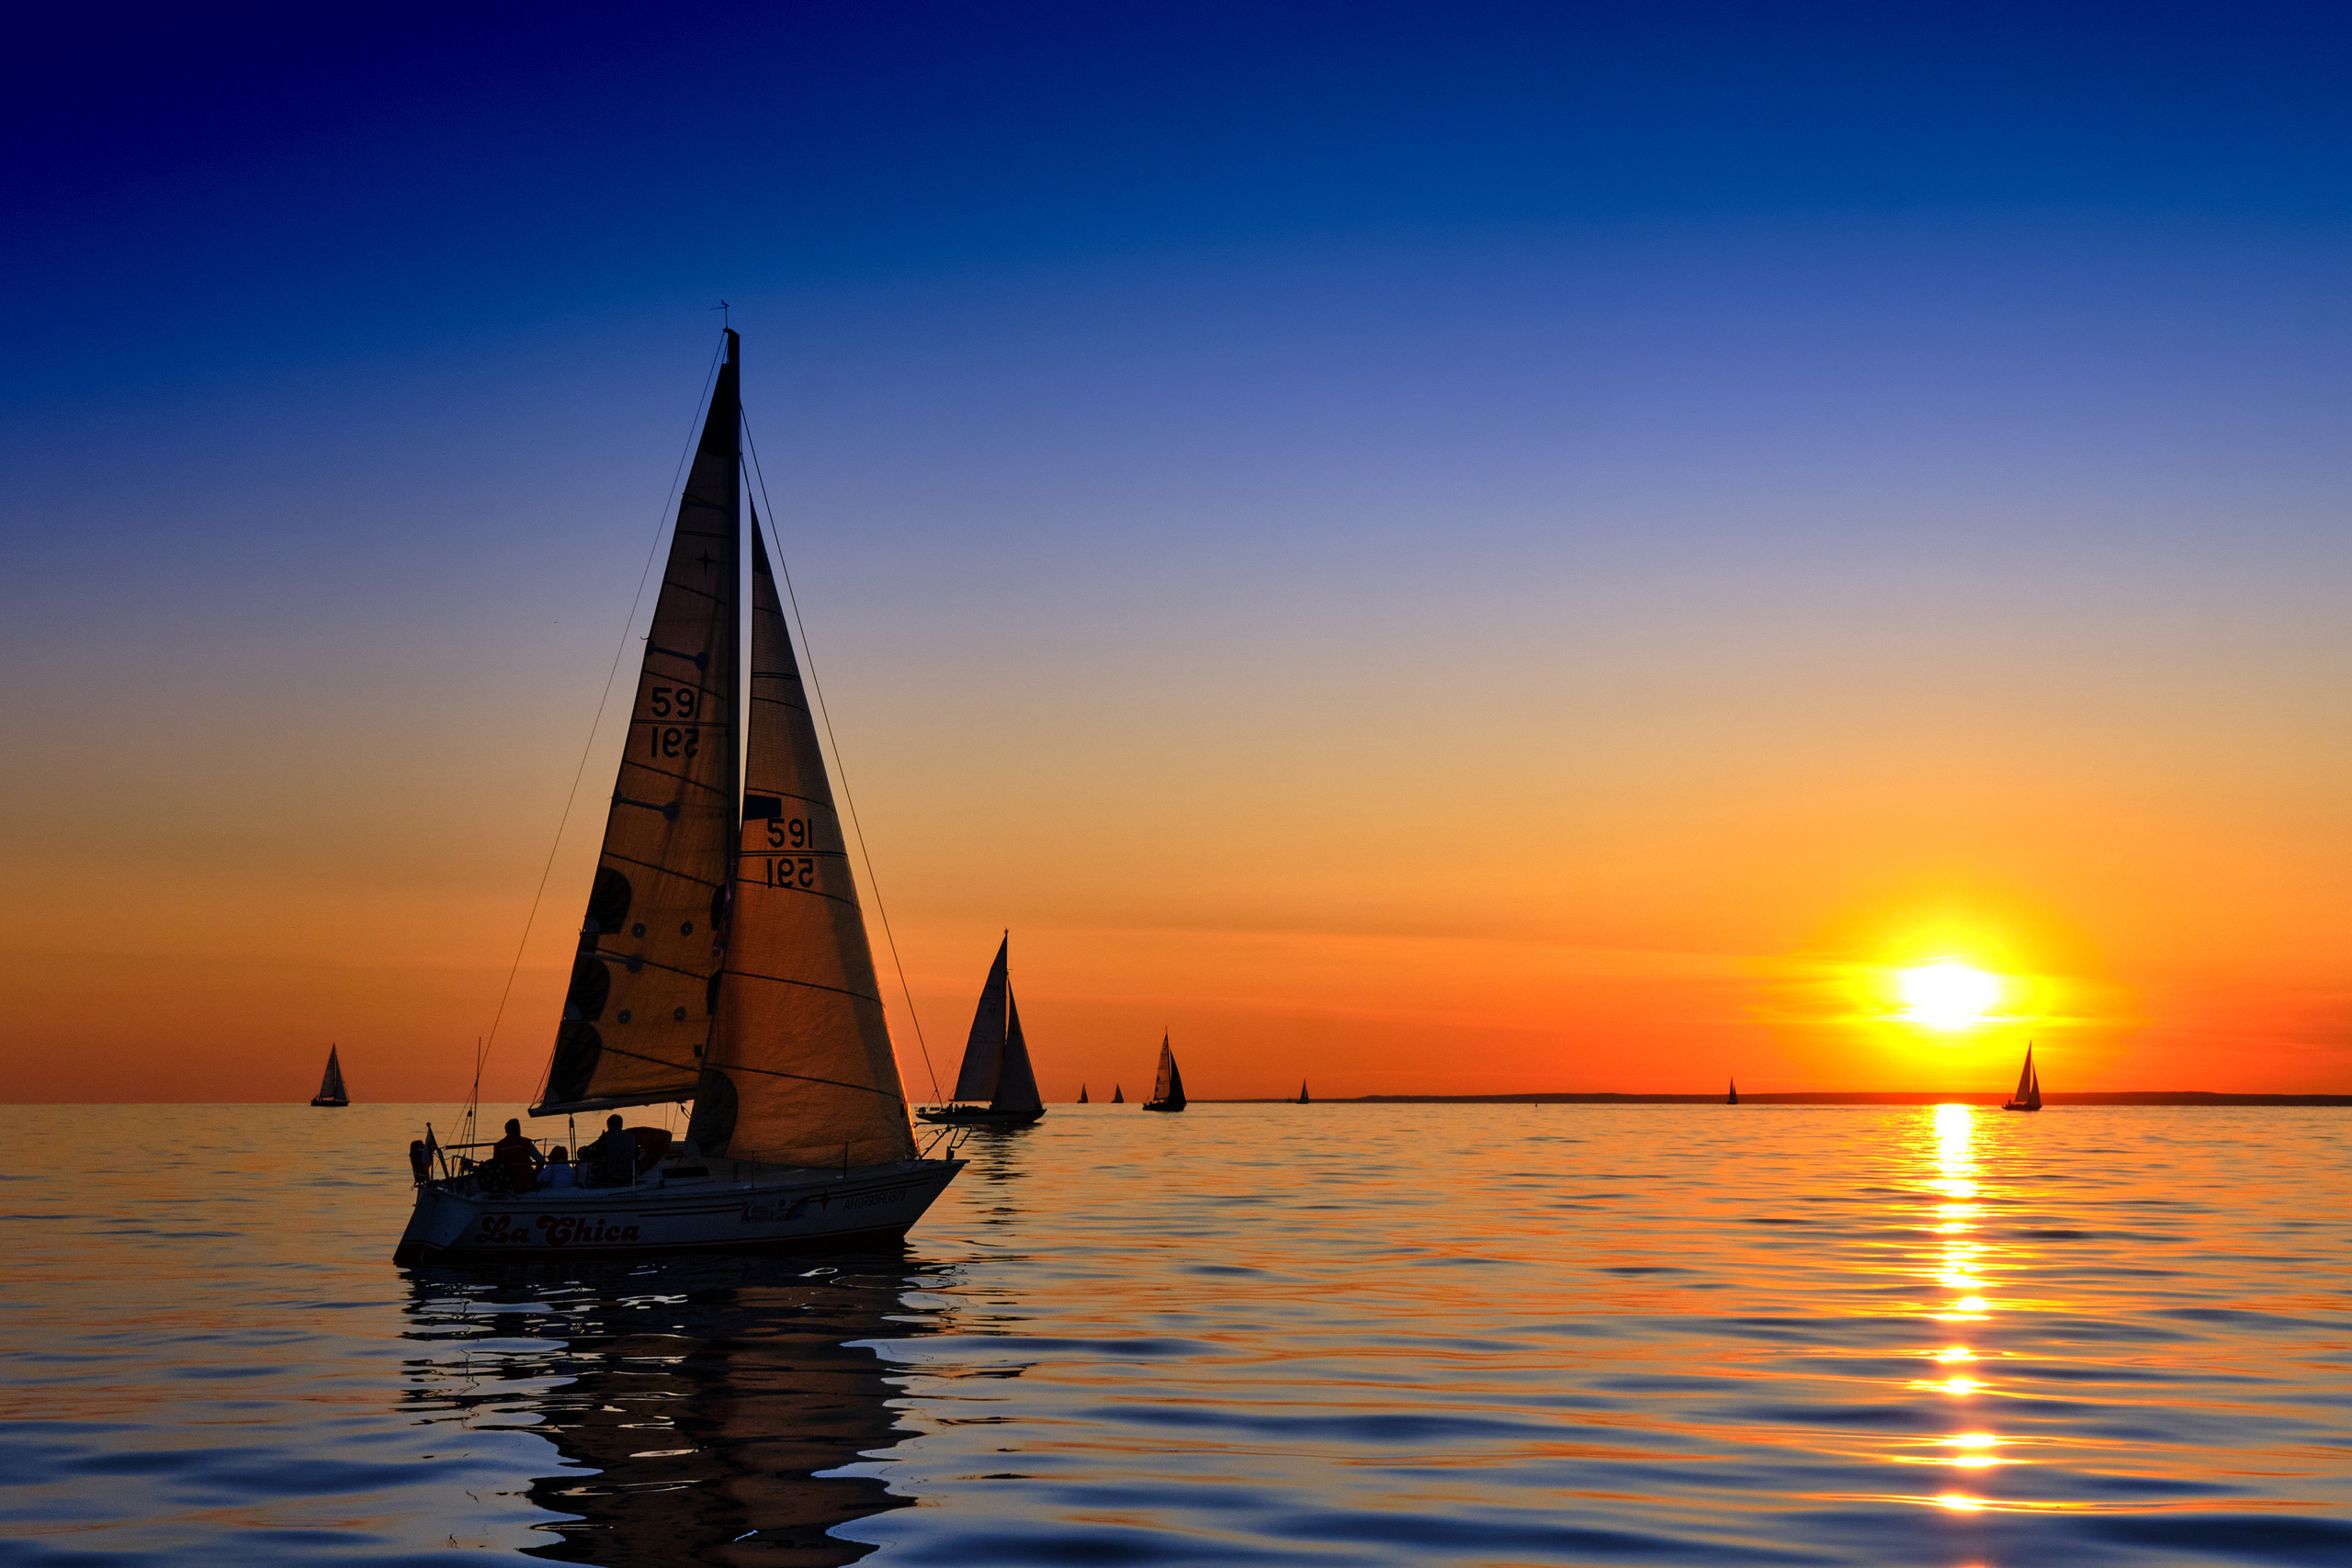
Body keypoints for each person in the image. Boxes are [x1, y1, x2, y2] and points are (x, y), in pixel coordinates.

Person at [492, 1118, 544, 1192]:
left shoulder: (498, 1146)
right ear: (518, 1129)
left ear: (506, 1131)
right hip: (525, 1182)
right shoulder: (526, 1143)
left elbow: (495, 1165)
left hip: (506, 1183)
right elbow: (541, 1160)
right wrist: (534, 1174)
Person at [591, 1114, 639, 1186]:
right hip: (630, 1176)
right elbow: (636, 1154)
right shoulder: (632, 1137)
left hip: (610, 1176)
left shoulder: (605, 1137)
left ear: (608, 1125)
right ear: (621, 1125)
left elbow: (599, 1155)